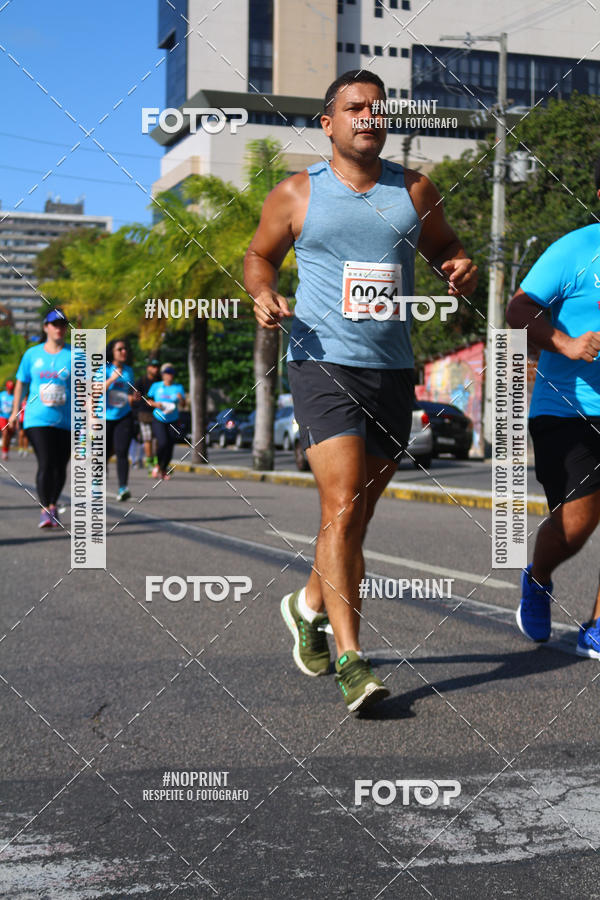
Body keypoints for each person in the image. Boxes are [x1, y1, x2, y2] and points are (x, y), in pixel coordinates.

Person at [245, 70, 477, 713]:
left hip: (392, 369)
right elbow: (258, 256)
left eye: (377, 109)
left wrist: (457, 263)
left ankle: (308, 603)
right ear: (328, 123)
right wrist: (263, 291)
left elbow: (445, 247)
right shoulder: (297, 194)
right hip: (322, 364)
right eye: (355, 108)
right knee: (342, 508)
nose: (368, 117)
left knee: (357, 518)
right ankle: (352, 659)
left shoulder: (415, 189)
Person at [508, 161, 600, 658]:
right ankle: (538, 576)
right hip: (568, 408)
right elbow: (517, 310)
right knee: (575, 525)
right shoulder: (576, 249)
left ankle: (599, 624)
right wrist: (563, 343)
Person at [11, 308, 71, 528]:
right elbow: (21, 382)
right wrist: (15, 410)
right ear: (46, 327)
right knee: (46, 462)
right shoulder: (32, 354)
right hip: (37, 418)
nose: (59, 328)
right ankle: (45, 509)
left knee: (60, 465)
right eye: (55, 324)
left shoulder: (74, 355)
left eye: (63, 324)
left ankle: (53, 504)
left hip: (66, 420)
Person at [103, 338, 137, 502]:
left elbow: (129, 393)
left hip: (124, 416)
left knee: (122, 452)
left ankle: (123, 488)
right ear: (112, 352)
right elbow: (96, 391)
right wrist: (112, 379)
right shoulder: (104, 369)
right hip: (105, 417)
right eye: (120, 349)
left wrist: (133, 397)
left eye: (125, 349)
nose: (124, 352)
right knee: (102, 452)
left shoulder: (129, 371)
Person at [146, 363, 186, 480]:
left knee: (170, 445)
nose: (169, 376)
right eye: (167, 373)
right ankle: (157, 464)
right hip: (158, 418)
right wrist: (155, 404)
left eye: (171, 374)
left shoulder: (178, 387)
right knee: (162, 442)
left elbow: (183, 405)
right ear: (163, 375)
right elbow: (147, 400)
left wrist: (181, 399)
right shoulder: (156, 386)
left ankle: (163, 468)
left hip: (172, 419)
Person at [134, 358, 160, 472]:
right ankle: (149, 462)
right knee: (147, 439)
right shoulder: (141, 381)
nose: (155, 369)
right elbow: (135, 396)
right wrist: (137, 397)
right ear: (148, 368)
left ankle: (157, 461)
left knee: (157, 439)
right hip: (144, 414)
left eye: (157, 367)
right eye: (153, 366)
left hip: (158, 414)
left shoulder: (160, 381)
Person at [0, 380, 15, 461]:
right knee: (5, 432)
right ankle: (4, 452)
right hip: (2, 417)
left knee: (9, 435)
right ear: (6, 388)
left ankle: (6, 450)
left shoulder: (14, 397)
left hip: (11, 418)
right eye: (9, 388)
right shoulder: (1, 395)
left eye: (11, 388)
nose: (10, 390)